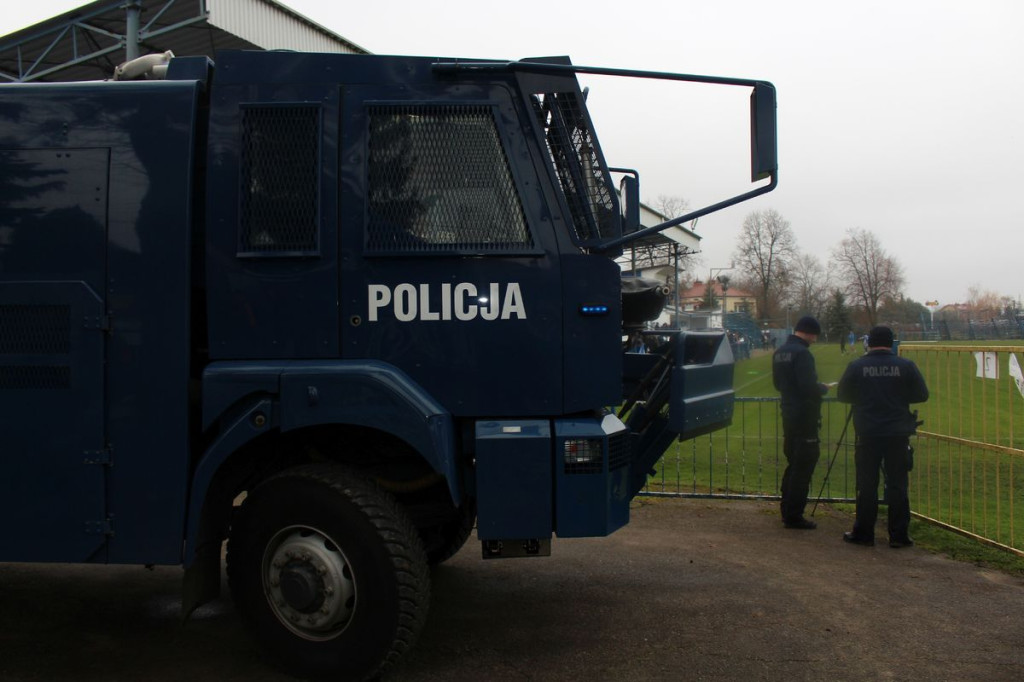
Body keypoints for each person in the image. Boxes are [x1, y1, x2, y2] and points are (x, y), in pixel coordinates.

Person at [837, 326, 929, 548]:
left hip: (868, 432)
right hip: (897, 432)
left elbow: (843, 395)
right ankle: (898, 535)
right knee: (898, 484)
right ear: (891, 343)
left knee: (867, 484)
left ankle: (864, 532)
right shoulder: (905, 365)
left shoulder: (857, 366)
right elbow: (921, 394)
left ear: (869, 343)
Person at [772, 316, 831, 529]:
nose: (814, 340)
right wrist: (822, 388)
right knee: (804, 465)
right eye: (814, 335)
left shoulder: (780, 352)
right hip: (805, 416)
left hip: (788, 413)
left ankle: (786, 509)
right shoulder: (803, 353)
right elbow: (808, 387)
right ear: (809, 333)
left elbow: (778, 384)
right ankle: (794, 514)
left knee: (793, 462)